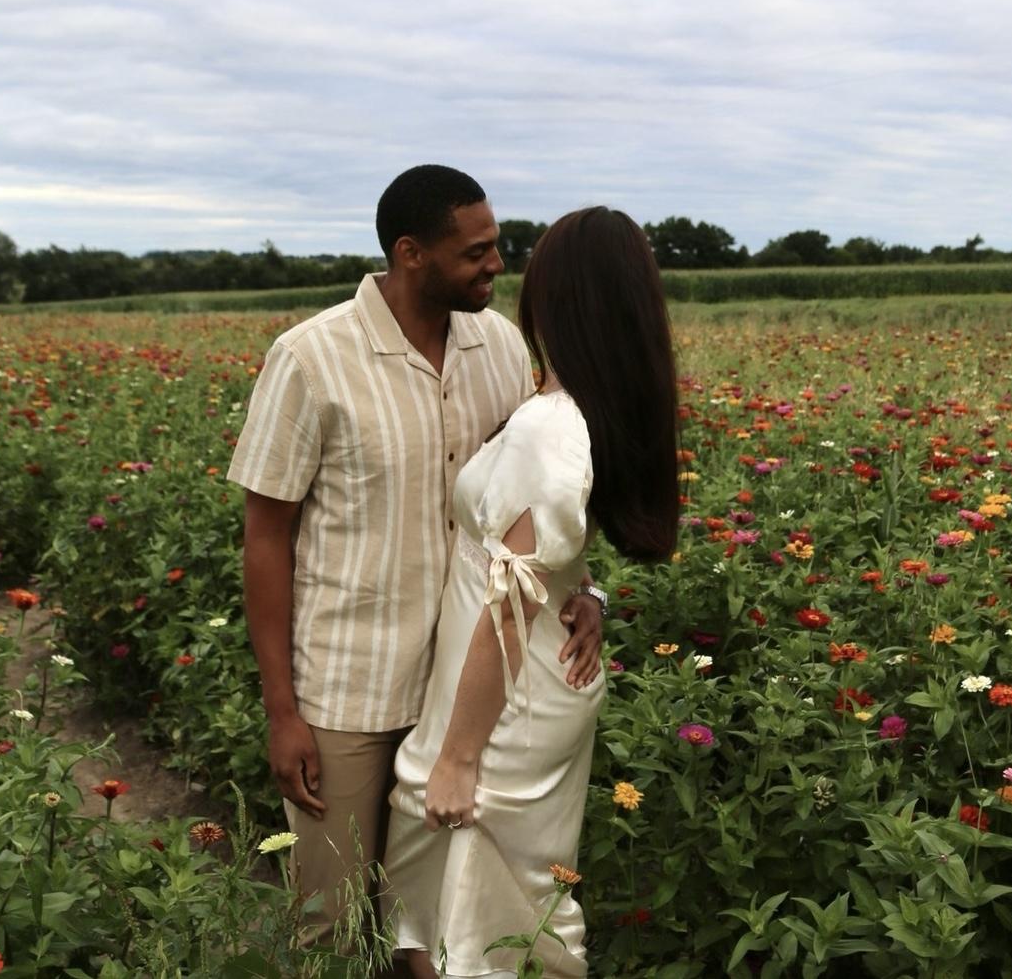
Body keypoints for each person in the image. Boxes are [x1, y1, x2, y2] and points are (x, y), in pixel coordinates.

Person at [227, 165, 604, 945]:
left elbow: (533, 497)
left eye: (497, 246)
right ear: (410, 254)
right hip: (346, 693)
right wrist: (282, 710)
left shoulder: (499, 345)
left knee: (431, 927)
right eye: (476, 252)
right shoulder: (309, 359)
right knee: (332, 922)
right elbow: (266, 537)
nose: (497, 265)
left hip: (466, 691)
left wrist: (588, 591)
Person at [383, 206, 679, 978]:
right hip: (529, 677)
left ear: (556, 300)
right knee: (474, 899)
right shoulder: (584, 410)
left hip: (504, 693)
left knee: (473, 906)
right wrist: (593, 595)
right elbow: (555, 554)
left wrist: (455, 756)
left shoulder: (549, 426)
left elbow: (507, 610)